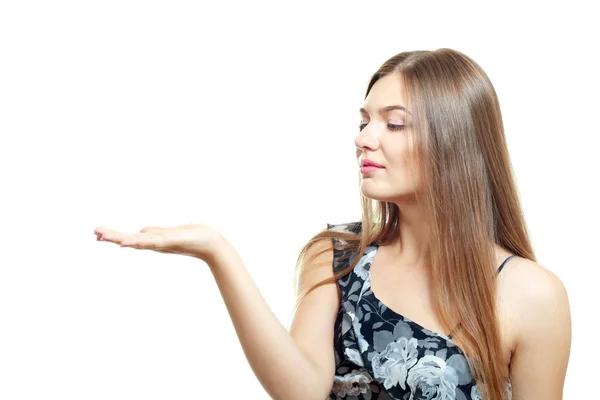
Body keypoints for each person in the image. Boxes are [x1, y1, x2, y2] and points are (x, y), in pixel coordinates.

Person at [94, 48, 572, 400]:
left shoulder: (530, 293)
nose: (362, 138)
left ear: (454, 141)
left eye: (394, 123)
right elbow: (300, 389)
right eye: (364, 120)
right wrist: (218, 252)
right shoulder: (339, 256)